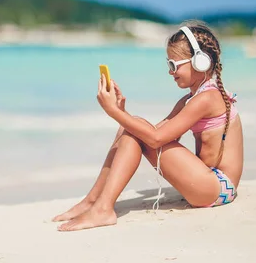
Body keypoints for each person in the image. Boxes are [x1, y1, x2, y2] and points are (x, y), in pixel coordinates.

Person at [54, 21, 244, 232]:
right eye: (168, 65)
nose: (170, 72)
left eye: (174, 65)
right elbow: (153, 133)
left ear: (200, 62)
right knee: (132, 129)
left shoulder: (208, 98)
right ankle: (93, 201)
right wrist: (123, 114)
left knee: (137, 128)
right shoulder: (189, 100)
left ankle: (101, 208)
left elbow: (155, 139)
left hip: (217, 188)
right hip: (205, 183)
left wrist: (113, 112)